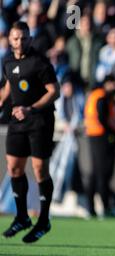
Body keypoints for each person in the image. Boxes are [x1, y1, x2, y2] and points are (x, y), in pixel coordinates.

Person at [0, 21, 60, 243]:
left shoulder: (40, 62)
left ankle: (43, 220)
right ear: (10, 39)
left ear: (30, 39)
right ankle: (22, 217)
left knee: (39, 169)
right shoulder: (7, 61)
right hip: (17, 120)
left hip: (40, 120)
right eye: (16, 38)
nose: (20, 42)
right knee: (14, 167)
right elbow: (9, 85)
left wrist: (31, 108)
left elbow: (55, 91)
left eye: (24, 38)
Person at [84, 74, 115, 218]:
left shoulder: (97, 96)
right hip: (101, 136)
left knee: (96, 172)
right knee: (102, 173)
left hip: (94, 135)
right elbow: (103, 119)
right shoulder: (102, 97)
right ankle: (104, 207)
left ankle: (91, 207)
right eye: (113, 84)